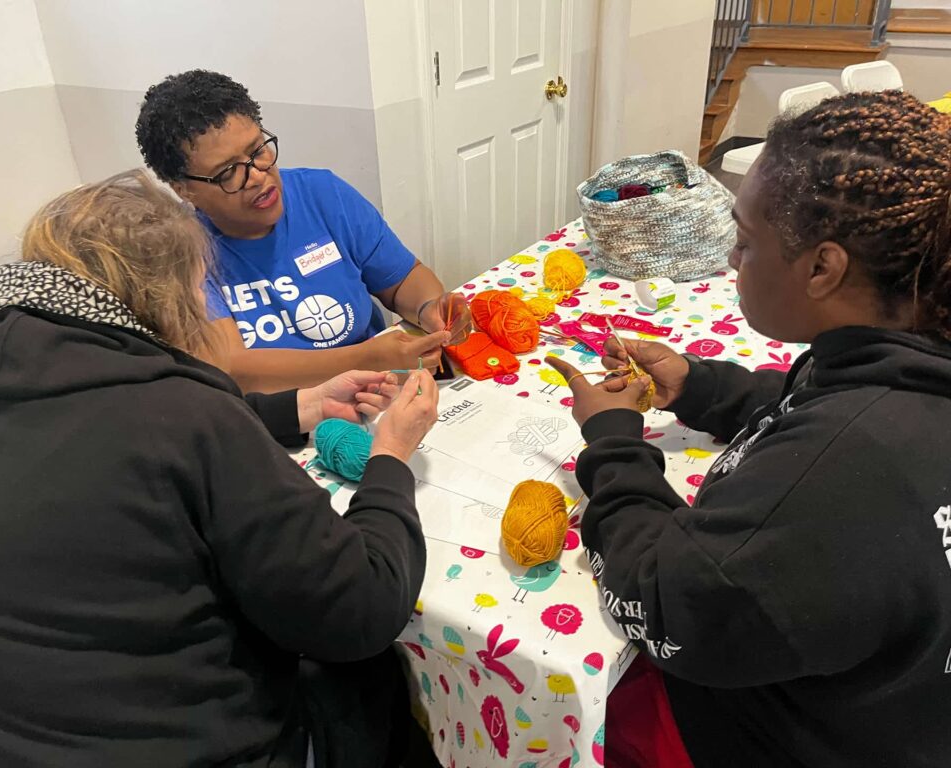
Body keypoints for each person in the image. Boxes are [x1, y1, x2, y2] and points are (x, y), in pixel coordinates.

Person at [0, 170, 439, 766]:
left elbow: (119, 434)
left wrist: (291, 408)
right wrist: (392, 456)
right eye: (200, 290)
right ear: (166, 300)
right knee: (370, 679)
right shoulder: (192, 418)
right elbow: (363, 606)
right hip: (182, 744)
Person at [547, 90, 951, 767]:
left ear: (824, 267)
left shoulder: (838, 475)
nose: (733, 262)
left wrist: (614, 444)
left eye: (745, 240)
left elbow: (659, 603)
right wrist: (699, 385)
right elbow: (827, 397)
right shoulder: (912, 356)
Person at [136, 69, 472, 393]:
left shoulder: (323, 194)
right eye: (227, 173)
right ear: (184, 189)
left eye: (258, 151)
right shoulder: (181, 251)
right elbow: (235, 371)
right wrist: (367, 359)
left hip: (378, 392)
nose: (257, 176)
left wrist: (430, 308)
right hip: (286, 420)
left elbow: (402, 279)